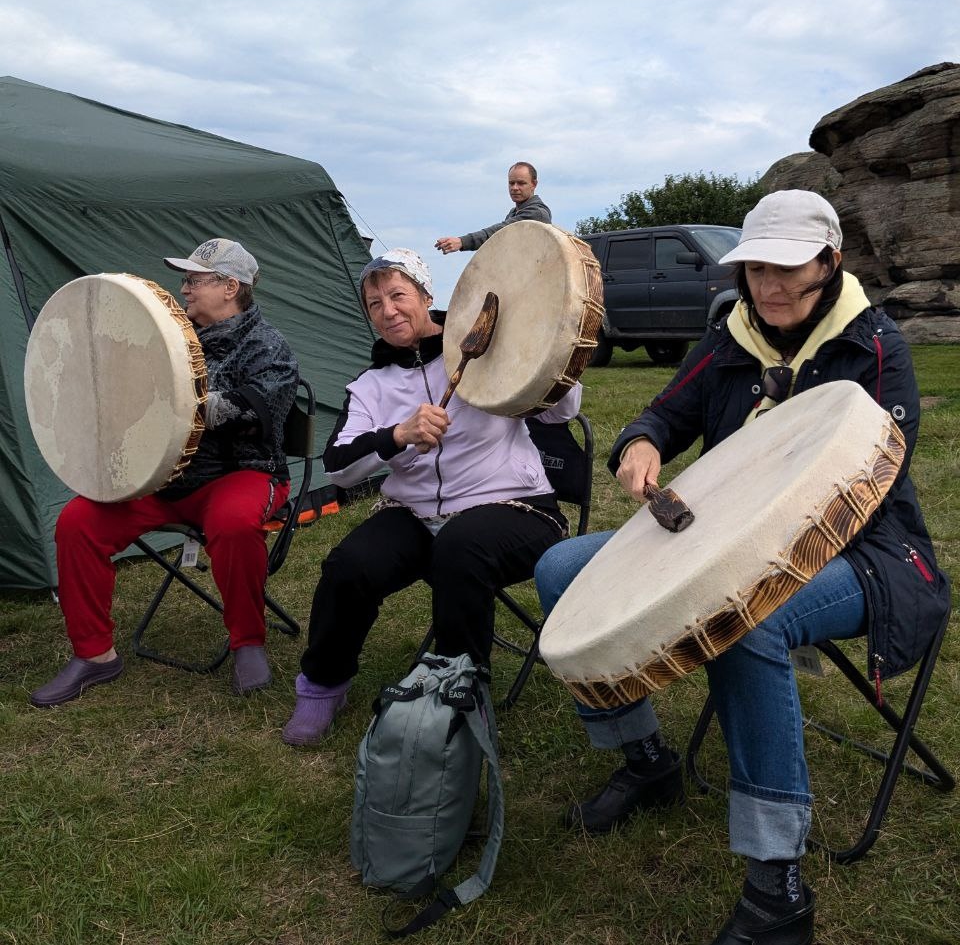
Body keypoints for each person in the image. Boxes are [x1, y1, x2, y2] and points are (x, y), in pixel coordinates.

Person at [535, 190, 950, 945]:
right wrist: (640, 442)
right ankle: (647, 761)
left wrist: (740, 544)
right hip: (715, 534)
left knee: (747, 617)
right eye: (757, 268)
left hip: (866, 551)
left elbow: (870, 477)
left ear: (829, 262)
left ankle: (776, 884)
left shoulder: (875, 346)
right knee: (562, 567)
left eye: (788, 269)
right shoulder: (730, 336)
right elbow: (666, 411)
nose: (769, 285)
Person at [283, 247, 580, 745]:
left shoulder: (481, 350)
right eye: (374, 303)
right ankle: (321, 685)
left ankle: (460, 697)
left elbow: (559, 411)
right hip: (417, 514)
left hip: (514, 507)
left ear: (426, 296)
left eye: (398, 295)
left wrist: (553, 347)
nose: (388, 310)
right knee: (349, 565)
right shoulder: (371, 386)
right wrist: (397, 435)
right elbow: (338, 468)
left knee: (461, 547)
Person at [30, 238, 299, 706]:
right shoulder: (168, 334)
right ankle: (94, 655)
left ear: (230, 287)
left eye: (195, 280)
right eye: (185, 280)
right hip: (159, 478)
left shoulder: (267, 345)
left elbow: (255, 409)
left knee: (234, 523)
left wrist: (172, 398)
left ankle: (248, 643)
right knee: (78, 523)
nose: (185, 288)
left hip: (239, 474)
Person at [435, 161, 551, 254]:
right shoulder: (514, 212)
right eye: (511, 183)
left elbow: (499, 233)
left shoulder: (537, 213)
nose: (515, 188)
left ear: (534, 184)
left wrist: (462, 242)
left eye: (521, 183)